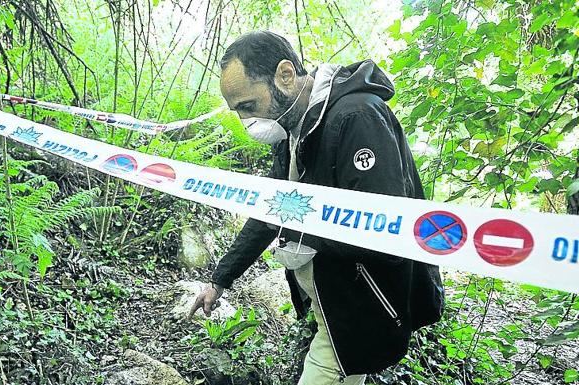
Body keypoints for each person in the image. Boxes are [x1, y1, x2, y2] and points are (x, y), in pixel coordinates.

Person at [187, 31, 443, 384]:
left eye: (248, 106)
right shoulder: (290, 131)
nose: (247, 122)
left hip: (361, 304)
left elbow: (387, 231)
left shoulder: (356, 118)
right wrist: (220, 280)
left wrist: (298, 232)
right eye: (238, 112)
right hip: (329, 303)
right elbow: (271, 212)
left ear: (285, 75)